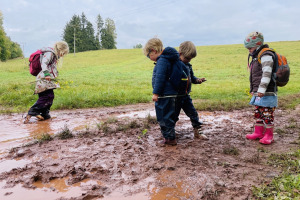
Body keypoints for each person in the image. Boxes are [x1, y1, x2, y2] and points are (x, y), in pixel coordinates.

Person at [143, 38, 186, 146]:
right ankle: (169, 137)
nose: (149, 58)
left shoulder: (162, 61)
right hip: (171, 93)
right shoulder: (169, 59)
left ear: (153, 50)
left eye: (148, 55)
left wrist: (156, 93)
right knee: (168, 116)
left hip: (164, 94)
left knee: (164, 117)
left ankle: (170, 139)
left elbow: (160, 78)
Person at [244, 31, 277, 145]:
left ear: (257, 45)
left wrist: (261, 89)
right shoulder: (257, 55)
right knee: (258, 112)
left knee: (267, 113)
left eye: (250, 48)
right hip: (258, 91)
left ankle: (269, 135)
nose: (249, 50)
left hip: (266, 91)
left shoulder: (266, 55)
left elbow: (266, 74)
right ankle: (258, 132)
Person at [24, 41, 69, 124]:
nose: (63, 55)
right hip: (44, 78)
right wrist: (47, 74)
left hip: (47, 79)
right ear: (61, 50)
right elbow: (43, 63)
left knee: (49, 97)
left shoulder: (54, 55)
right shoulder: (50, 53)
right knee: (46, 97)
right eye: (64, 52)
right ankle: (32, 111)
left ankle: (45, 114)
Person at [176, 41, 208, 140]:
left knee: (193, 113)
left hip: (186, 96)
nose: (188, 60)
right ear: (180, 54)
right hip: (175, 97)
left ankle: (197, 131)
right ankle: (169, 131)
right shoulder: (175, 65)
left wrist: (197, 80)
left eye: (190, 59)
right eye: (187, 58)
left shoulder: (188, 65)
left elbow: (192, 77)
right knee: (173, 116)